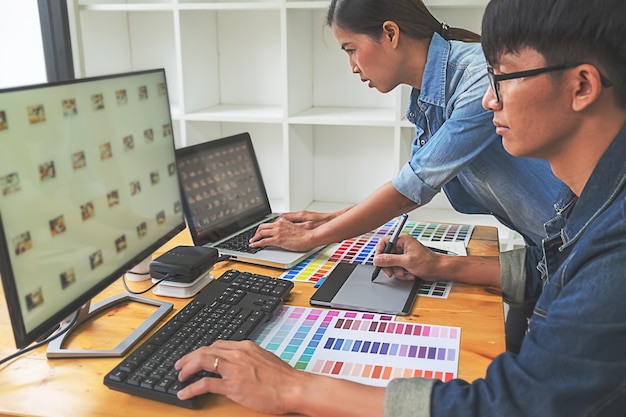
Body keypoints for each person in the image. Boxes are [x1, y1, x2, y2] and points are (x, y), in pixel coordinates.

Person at [174, 0, 626, 415]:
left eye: (502, 76)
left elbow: (513, 405)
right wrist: (440, 265)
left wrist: (293, 387)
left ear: (582, 85)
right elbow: (554, 261)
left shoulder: (613, 250)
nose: (490, 100)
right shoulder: (582, 210)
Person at [249, 0, 563, 352]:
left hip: (583, 248)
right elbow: (408, 183)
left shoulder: (476, 80)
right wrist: (328, 218)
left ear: (390, 33)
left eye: (351, 50)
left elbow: (412, 189)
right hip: (551, 252)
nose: (352, 67)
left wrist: (313, 237)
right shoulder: (427, 96)